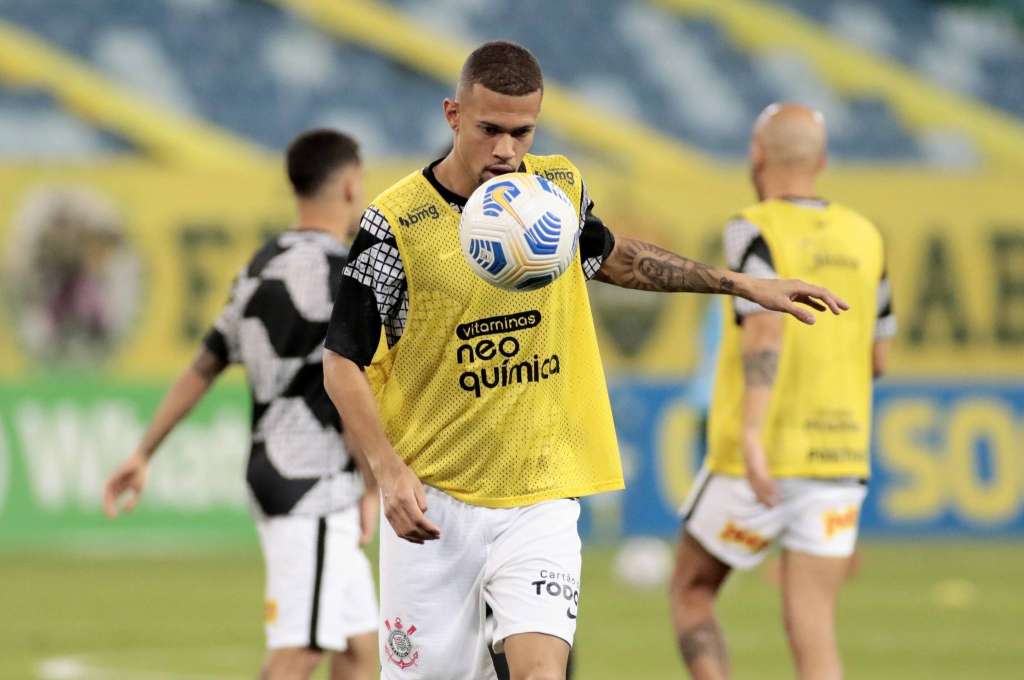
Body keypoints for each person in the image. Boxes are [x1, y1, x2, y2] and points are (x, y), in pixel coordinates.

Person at [323, 42, 846, 680]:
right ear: (453, 114)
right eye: (489, 129)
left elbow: (617, 257)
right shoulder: (395, 224)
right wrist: (387, 470)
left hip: (540, 495)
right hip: (435, 506)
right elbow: (341, 359)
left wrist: (741, 284)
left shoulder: (557, 192)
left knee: (543, 672)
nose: (505, 151)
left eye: (522, 132)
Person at [103, 130, 379, 680]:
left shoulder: (259, 267)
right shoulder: (343, 275)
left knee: (360, 649)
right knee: (298, 651)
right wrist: (375, 483)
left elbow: (203, 365)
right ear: (350, 184)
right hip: (315, 481)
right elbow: (346, 388)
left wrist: (143, 452)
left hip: (270, 469)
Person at [669, 103, 896, 680]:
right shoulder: (867, 236)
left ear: (756, 153)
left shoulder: (754, 224)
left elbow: (764, 324)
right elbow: (880, 356)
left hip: (759, 457)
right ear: (821, 161)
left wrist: (751, 432)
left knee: (692, 591)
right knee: (814, 629)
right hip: (840, 458)